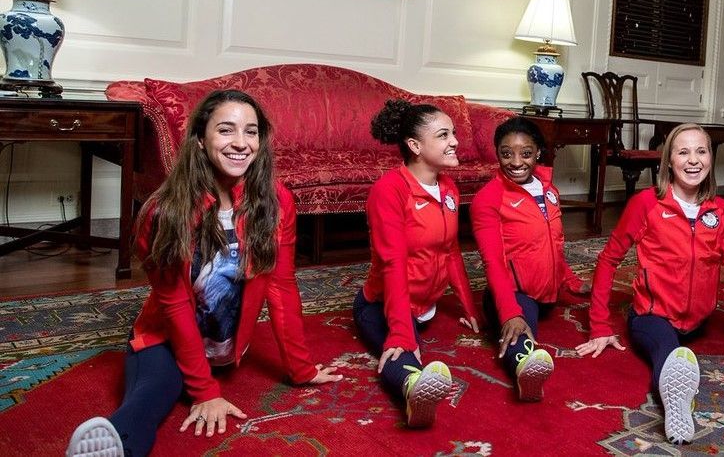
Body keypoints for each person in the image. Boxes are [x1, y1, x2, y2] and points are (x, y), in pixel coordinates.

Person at [65, 90, 343, 457]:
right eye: (226, 131)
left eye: (251, 132)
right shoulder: (164, 212)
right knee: (151, 395)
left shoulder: (275, 202)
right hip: (163, 340)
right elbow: (176, 307)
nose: (241, 144)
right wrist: (206, 392)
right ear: (199, 140)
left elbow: (281, 289)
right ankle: (113, 446)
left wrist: (301, 369)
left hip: (224, 349)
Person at [576, 123, 724, 445]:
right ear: (669, 162)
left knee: (680, 345)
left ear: (710, 158)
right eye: (683, 152)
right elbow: (608, 260)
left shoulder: (722, 212)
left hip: (697, 319)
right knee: (668, 349)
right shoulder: (646, 204)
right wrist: (599, 327)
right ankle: (676, 404)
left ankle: (676, 378)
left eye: (701, 151)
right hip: (652, 315)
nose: (693, 160)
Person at [354, 99, 481, 428]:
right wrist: (400, 334)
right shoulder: (389, 190)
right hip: (384, 304)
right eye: (443, 135)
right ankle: (411, 389)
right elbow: (392, 263)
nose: (454, 141)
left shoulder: (449, 188)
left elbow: (452, 250)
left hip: (426, 305)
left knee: (411, 338)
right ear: (414, 145)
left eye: (453, 133)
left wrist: (469, 308)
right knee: (403, 352)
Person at [470, 117, 591, 402]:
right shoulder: (487, 200)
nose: (515, 162)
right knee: (520, 331)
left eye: (525, 153)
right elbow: (493, 262)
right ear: (497, 153)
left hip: (548, 294)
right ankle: (525, 369)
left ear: (538, 152)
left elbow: (554, 245)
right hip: (514, 293)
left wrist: (571, 281)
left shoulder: (549, 191)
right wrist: (510, 311)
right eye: (506, 153)